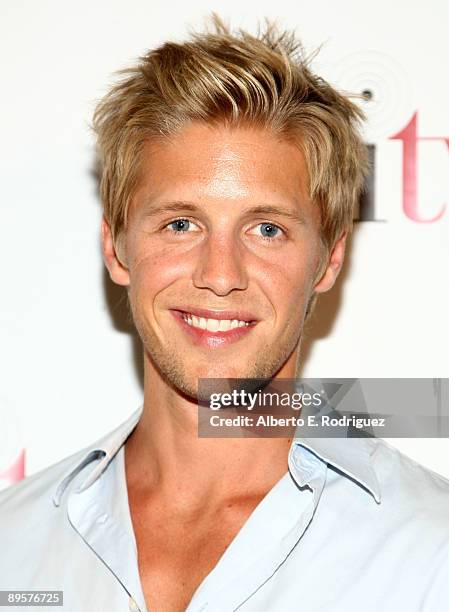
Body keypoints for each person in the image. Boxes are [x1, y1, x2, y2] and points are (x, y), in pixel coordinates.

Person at [1, 14, 448, 612]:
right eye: (181, 224)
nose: (219, 275)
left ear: (329, 259)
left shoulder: (428, 553)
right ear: (115, 246)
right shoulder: (15, 543)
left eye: (266, 229)